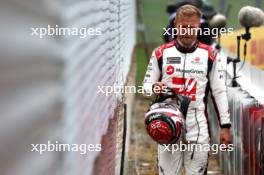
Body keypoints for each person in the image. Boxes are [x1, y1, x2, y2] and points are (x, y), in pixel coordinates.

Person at [143, 5, 232, 175]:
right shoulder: (161, 53)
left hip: (197, 126)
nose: (187, 31)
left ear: (199, 26)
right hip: (167, 125)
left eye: (191, 27)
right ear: (175, 24)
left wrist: (225, 126)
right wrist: (154, 87)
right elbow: (145, 88)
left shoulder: (210, 55)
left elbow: (219, 92)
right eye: (183, 27)